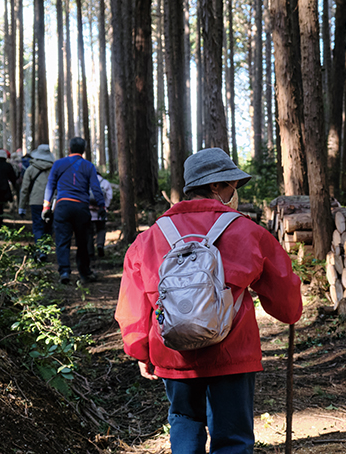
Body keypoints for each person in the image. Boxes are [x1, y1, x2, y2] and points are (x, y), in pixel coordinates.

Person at [116, 147, 303, 454]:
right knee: (232, 439)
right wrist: (291, 311)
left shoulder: (149, 238)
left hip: (173, 353)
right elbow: (284, 296)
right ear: (216, 186)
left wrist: (140, 350)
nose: (235, 192)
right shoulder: (247, 231)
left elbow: (132, 302)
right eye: (232, 185)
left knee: (184, 422)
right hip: (232, 353)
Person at [42, 137, 105, 285]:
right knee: (82, 241)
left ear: (69, 149)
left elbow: (50, 185)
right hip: (81, 208)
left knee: (62, 240)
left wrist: (46, 206)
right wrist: (102, 206)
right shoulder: (88, 166)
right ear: (83, 150)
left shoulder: (58, 164)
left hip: (62, 206)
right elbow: (96, 188)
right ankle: (84, 273)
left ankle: (64, 271)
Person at [18, 144, 55, 262]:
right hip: (51, 202)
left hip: (35, 202)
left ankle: (40, 250)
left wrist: (21, 207)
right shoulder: (54, 169)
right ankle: (45, 249)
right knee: (48, 226)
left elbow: (24, 189)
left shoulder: (30, 169)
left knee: (38, 226)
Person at [87, 173, 113, 259]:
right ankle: (100, 245)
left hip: (89, 211)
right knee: (101, 229)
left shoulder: (87, 182)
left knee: (89, 232)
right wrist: (105, 206)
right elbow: (109, 196)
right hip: (101, 211)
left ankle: (90, 252)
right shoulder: (105, 182)